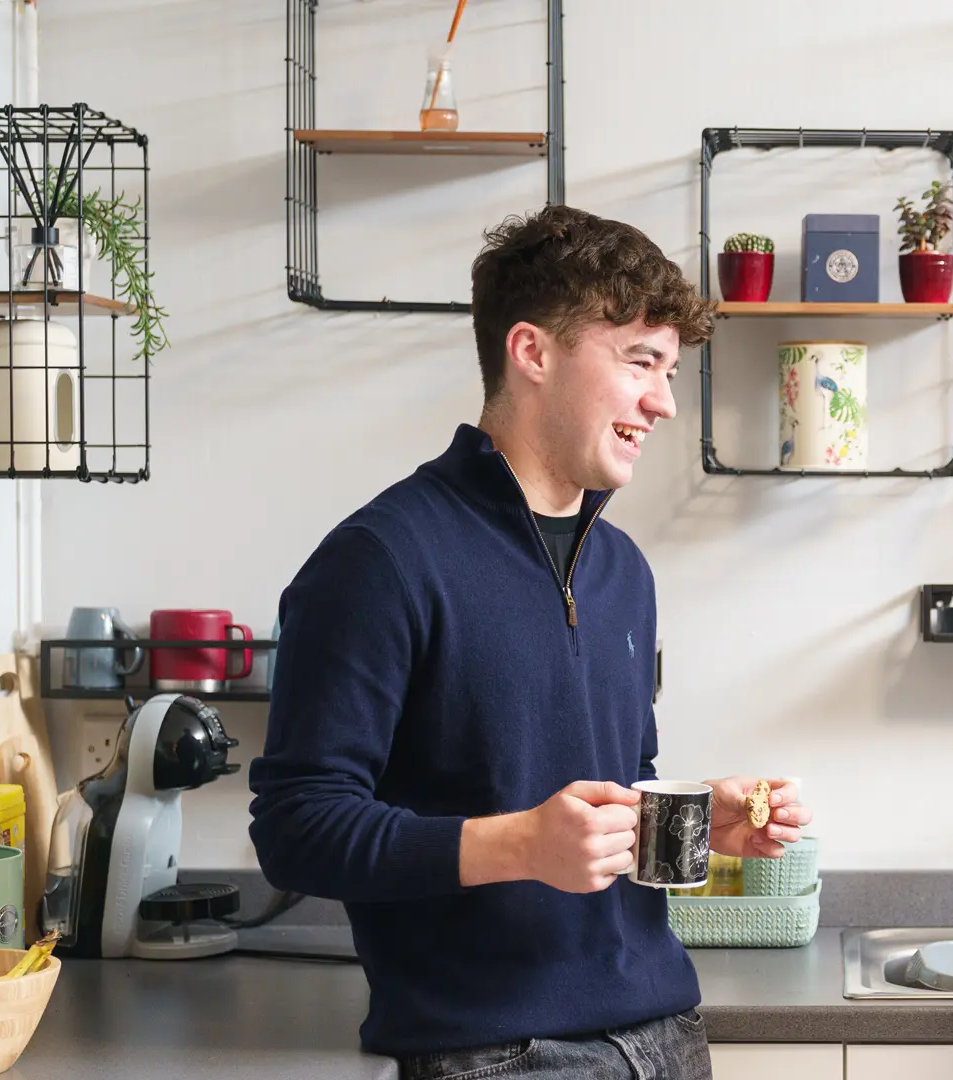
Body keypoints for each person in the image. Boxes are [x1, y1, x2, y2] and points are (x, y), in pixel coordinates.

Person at [248, 205, 810, 1080]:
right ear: (533, 353)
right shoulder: (380, 562)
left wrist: (698, 825)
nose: (662, 401)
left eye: (668, 370)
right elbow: (296, 827)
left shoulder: (623, 570)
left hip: (666, 1035)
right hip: (497, 1053)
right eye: (639, 363)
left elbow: (602, 795)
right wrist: (517, 846)